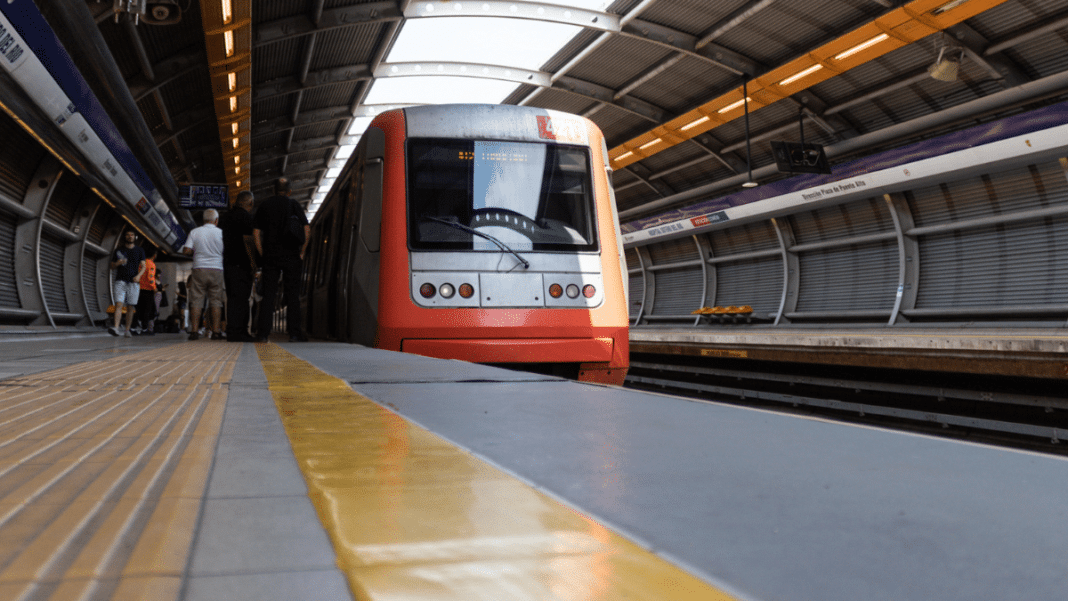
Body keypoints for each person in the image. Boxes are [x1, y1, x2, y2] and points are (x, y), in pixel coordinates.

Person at [253, 177, 309, 342]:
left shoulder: (264, 205)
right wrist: (302, 252)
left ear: (273, 190)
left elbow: (256, 233)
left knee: (269, 295)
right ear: (289, 191)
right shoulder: (294, 205)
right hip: (292, 256)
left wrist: (262, 253)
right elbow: (307, 229)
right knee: (292, 295)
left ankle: (263, 334)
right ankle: (294, 334)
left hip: (271, 256)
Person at [181, 209, 226, 340]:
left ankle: (194, 331)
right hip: (217, 269)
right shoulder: (221, 233)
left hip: (199, 269)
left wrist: (195, 251)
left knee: (196, 301)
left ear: (203, 219)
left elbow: (186, 250)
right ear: (216, 220)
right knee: (216, 302)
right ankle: (216, 332)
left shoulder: (195, 232)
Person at [222, 190, 256, 342]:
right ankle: (240, 332)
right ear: (250, 203)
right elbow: (249, 241)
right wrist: (253, 262)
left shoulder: (224, 218)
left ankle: (232, 331)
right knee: (242, 299)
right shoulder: (247, 218)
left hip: (227, 263)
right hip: (242, 264)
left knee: (232, 298)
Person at [108, 230, 146, 337]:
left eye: (132, 235)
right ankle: (116, 328)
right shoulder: (118, 250)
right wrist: (117, 263)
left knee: (130, 307)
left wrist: (139, 276)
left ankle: (127, 330)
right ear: (125, 237)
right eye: (128, 235)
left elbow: (143, 266)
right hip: (120, 280)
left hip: (133, 282)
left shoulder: (139, 250)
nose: (130, 236)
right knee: (119, 304)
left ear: (135, 237)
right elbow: (111, 266)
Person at [134, 246, 158, 335]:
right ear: (154, 255)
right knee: (146, 310)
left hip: (138, 289)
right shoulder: (151, 264)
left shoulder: (141, 263)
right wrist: (154, 287)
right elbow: (150, 277)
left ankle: (133, 328)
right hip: (147, 290)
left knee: (138, 309)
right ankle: (144, 329)